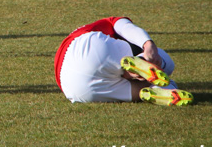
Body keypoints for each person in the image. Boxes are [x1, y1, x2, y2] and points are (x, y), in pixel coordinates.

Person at [55, 16, 193, 106]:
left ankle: (160, 88)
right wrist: (147, 43)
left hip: (73, 87)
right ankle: (139, 63)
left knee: (139, 92)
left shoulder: (89, 30)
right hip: (85, 46)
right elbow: (125, 27)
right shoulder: (109, 22)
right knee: (167, 64)